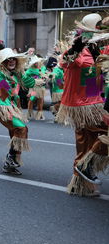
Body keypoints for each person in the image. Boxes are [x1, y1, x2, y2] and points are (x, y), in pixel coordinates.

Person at [57, 13, 109, 197]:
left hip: (95, 102)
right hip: (80, 106)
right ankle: (83, 173)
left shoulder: (101, 50)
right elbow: (65, 62)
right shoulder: (80, 50)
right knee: (86, 141)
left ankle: (79, 183)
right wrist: (76, 49)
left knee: (86, 143)